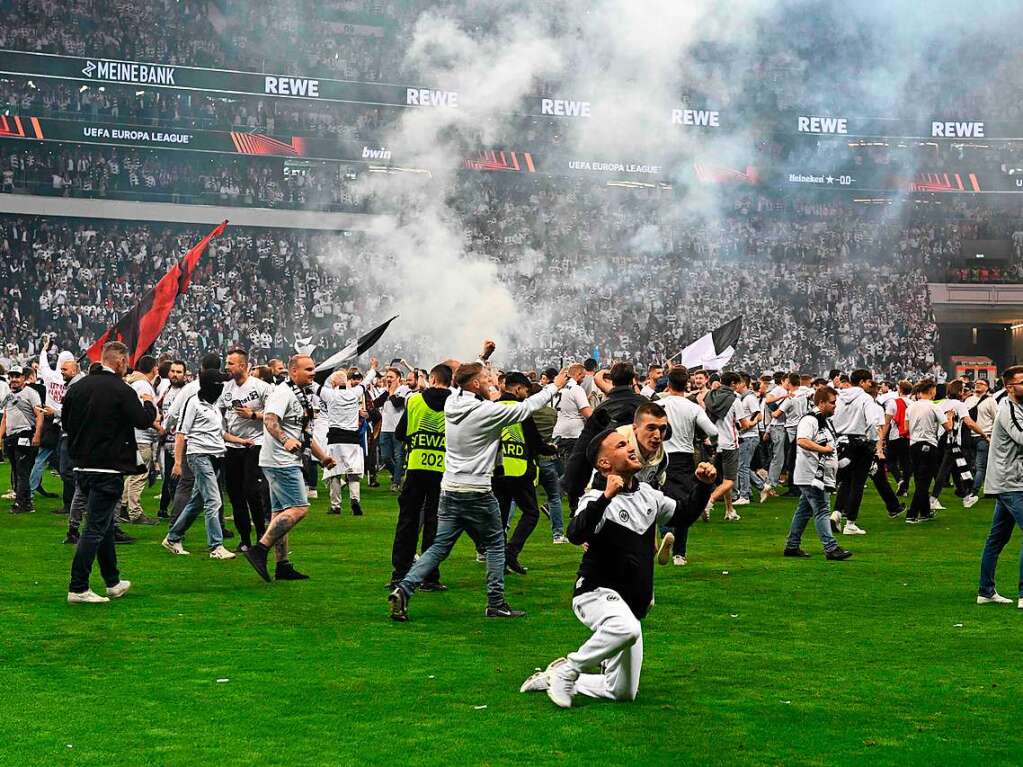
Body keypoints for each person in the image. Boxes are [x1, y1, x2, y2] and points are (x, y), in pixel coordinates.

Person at [520, 427, 716, 708]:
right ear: (604, 464)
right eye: (622, 445)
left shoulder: (649, 494)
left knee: (621, 692)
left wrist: (703, 486)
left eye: (629, 443)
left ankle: (554, 676)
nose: (631, 447)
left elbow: (683, 516)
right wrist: (605, 497)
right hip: (594, 593)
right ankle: (569, 669)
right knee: (626, 629)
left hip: (630, 606)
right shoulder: (595, 498)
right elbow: (576, 533)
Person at [388, 362, 568, 622]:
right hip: (478, 489)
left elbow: (464, 379)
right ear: (474, 384)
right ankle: (496, 602)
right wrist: (555, 387)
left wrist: (482, 359)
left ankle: (404, 588)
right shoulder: (486, 411)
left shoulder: (452, 402)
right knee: (495, 545)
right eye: (487, 377)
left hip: (450, 488)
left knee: (439, 546)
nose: (492, 380)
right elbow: (526, 407)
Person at [62, 341, 157, 604]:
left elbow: (67, 422)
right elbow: (143, 420)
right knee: (94, 528)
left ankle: (113, 582)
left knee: (101, 526)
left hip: (82, 465)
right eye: (125, 363)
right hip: (108, 466)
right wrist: (148, 401)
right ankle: (78, 587)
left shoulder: (77, 387)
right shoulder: (121, 389)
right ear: (119, 362)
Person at [242, 355, 336, 582]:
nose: (313, 373)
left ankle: (282, 565)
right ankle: (260, 549)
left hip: (283, 459)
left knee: (280, 513)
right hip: (281, 461)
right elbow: (270, 420)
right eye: (309, 369)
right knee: (299, 508)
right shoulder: (282, 393)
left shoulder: (301, 393)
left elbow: (302, 434)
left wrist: (322, 457)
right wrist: (285, 441)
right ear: (293, 372)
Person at [389, 363, 452, 590]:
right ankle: (430, 576)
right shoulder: (455, 403)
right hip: (443, 471)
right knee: (435, 523)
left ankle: (400, 573)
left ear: (432, 379)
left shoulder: (414, 401)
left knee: (407, 521)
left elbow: (400, 434)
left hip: (416, 469)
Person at [162, 369, 236, 559]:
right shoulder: (193, 402)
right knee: (214, 500)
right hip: (199, 455)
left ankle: (172, 537)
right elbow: (181, 433)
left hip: (216, 456)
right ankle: (216, 546)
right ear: (208, 385)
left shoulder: (214, 406)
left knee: (197, 501)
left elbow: (219, 433)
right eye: (218, 384)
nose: (221, 388)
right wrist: (178, 462)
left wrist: (241, 441)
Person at [493, 371, 555, 575]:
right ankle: (511, 552)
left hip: (496, 471)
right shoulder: (521, 410)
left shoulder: (492, 408)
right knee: (531, 513)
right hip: (519, 469)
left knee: (500, 519)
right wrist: (551, 449)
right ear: (518, 388)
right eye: (525, 391)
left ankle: (499, 560)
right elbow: (535, 442)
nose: (526, 396)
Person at [783, 386, 852, 560]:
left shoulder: (822, 420)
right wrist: (824, 449)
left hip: (814, 474)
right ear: (821, 402)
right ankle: (831, 547)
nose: (835, 406)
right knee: (822, 509)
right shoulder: (810, 420)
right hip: (812, 475)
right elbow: (802, 441)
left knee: (804, 511)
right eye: (832, 402)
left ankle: (792, 545)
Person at [657, 367, 718, 566]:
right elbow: (713, 431)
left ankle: (666, 534)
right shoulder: (693, 407)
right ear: (687, 385)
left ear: (668, 384)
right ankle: (679, 554)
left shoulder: (658, 405)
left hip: (660, 457)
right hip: (684, 458)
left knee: (660, 499)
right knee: (684, 503)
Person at [976, 366, 1023, 606]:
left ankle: (985, 591)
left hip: (1013, 480)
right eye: (1022, 382)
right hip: (1010, 482)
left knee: (997, 538)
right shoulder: (1008, 409)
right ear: (1009, 387)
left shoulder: (1017, 408)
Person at [219, 348, 273, 550]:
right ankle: (245, 540)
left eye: (230, 363)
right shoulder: (226, 388)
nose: (227, 367)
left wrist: (253, 415)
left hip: (255, 443)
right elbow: (221, 412)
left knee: (251, 490)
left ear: (243, 365)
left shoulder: (261, 387)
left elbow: (275, 413)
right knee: (234, 493)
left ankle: (261, 533)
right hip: (233, 445)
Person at [317, 357, 379, 516]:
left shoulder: (329, 394)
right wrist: (372, 368)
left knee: (335, 473)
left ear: (333, 384)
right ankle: (355, 501)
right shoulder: (355, 393)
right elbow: (366, 382)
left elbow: (313, 385)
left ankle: (335, 506)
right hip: (353, 438)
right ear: (347, 382)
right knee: (353, 474)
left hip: (335, 438)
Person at [831, 368, 875, 535]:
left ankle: (836, 513)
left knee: (846, 481)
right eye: (869, 381)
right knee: (857, 484)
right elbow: (871, 422)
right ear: (863, 382)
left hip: (841, 441)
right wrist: (872, 440)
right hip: (860, 442)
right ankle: (850, 523)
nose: (871, 384)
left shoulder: (839, 397)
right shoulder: (866, 398)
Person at [120, 355, 161, 525]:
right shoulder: (144, 386)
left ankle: (123, 507)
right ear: (154, 369)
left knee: (132, 474)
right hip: (142, 436)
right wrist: (160, 428)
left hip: (134, 434)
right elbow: (144, 412)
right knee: (140, 474)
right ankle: (135, 512)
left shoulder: (135, 383)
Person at [905, 380, 953, 524]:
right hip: (929, 444)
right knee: (924, 482)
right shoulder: (934, 407)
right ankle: (912, 514)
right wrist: (950, 416)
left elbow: (906, 428)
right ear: (932, 390)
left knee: (920, 478)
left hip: (913, 445)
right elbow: (948, 427)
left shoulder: (911, 407)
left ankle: (925, 512)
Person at [0, 364, 44, 513]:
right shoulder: (8, 396)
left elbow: (40, 415)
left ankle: (20, 503)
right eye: (11, 376)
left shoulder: (31, 393)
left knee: (22, 471)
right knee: (17, 470)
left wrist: (37, 434)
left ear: (24, 378)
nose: (13, 379)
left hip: (25, 435)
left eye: (16, 376)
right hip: (11, 437)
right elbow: (5, 418)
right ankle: (27, 503)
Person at [552, 363, 593, 512]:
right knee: (573, 471)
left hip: (557, 432)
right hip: (574, 434)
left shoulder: (558, 388)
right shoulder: (576, 389)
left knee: (569, 471)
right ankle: (553, 500)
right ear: (577, 374)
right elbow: (588, 413)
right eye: (582, 375)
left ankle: (573, 507)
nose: (583, 379)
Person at [156, 360, 188, 518]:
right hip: (166, 440)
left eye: (179, 372)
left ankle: (178, 513)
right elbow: (161, 410)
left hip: (180, 440)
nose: (175, 375)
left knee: (179, 479)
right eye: (173, 371)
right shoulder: (166, 389)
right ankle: (164, 509)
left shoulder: (187, 392)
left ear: (184, 374)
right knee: (169, 477)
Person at [375, 366, 409, 492]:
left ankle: (395, 483)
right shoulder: (385, 391)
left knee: (399, 456)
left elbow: (397, 403)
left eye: (391, 377)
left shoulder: (404, 390)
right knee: (385, 457)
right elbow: (376, 403)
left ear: (398, 378)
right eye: (387, 377)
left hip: (398, 428)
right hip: (385, 428)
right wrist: (388, 392)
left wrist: (391, 393)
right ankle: (398, 475)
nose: (388, 379)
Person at [964, 378, 998, 507]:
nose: (978, 385)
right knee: (971, 466)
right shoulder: (968, 400)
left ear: (987, 387)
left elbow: (996, 419)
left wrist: (992, 437)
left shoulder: (991, 401)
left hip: (984, 437)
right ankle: (973, 490)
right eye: (977, 383)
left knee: (980, 466)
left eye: (981, 384)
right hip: (968, 437)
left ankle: (973, 492)